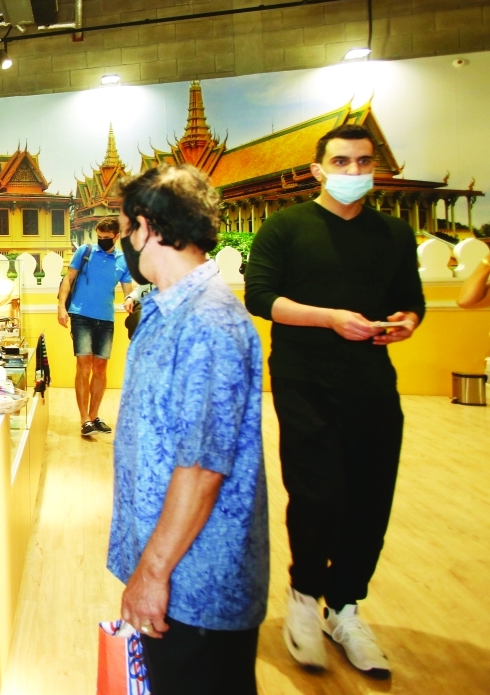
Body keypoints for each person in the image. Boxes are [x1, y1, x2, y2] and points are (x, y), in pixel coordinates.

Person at [245, 124, 424, 678]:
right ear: (318, 169)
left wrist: (406, 322)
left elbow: (411, 301)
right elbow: (261, 297)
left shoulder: (393, 234)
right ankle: (304, 596)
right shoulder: (286, 227)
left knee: (370, 498)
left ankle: (344, 607)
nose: (354, 171)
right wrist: (329, 319)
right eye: (341, 161)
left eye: (364, 161)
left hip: (371, 381)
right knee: (317, 493)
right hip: (304, 380)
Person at [109, 164, 268, 695]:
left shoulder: (208, 323)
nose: (126, 242)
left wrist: (153, 573)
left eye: (128, 228)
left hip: (195, 586)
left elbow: (202, 468)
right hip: (173, 575)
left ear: (148, 226)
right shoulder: (168, 308)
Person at [56, 218, 134, 436]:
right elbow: (68, 279)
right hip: (81, 315)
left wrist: (130, 300)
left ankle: (94, 415)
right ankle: (84, 420)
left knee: (100, 369)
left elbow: (128, 290)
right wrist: (61, 307)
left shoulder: (123, 260)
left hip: (106, 319)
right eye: (99, 237)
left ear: (116, 236)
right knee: (84, 366)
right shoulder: (85, 251)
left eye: (106, 238)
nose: (102, 241)